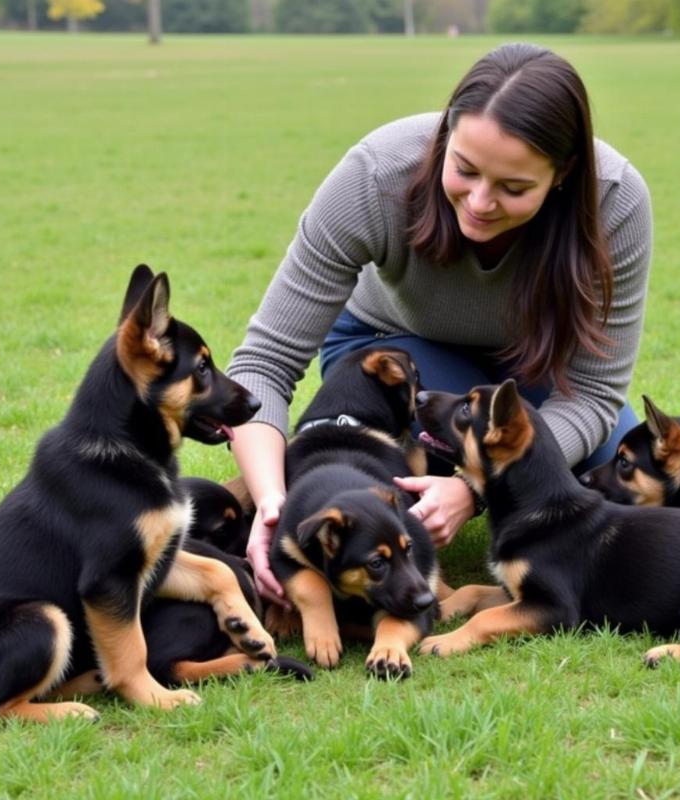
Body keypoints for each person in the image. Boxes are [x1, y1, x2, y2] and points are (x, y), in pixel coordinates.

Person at [227, 43, 652, 607]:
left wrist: (471, 488)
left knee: (621, 475)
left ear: (563, 174)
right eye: (464, 169)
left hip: (523, 375)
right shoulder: (376, 173)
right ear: (445, 135)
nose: (480, 202)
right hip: (392, 352)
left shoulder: (615, 204)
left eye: (514, 188)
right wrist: (275, 505)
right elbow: (264, 363)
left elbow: (595, 393)